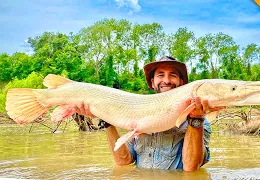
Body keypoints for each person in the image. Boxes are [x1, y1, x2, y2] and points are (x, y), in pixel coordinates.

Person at [76, 56, 224, 171]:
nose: (166, 80)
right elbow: (123, 160)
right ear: (153, 82)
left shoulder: (200, 123)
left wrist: (195, 119)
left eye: (172, 75)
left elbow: (191, 168)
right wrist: (106, 120)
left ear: (181, 83)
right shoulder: (140, 115)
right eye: (160, 75)